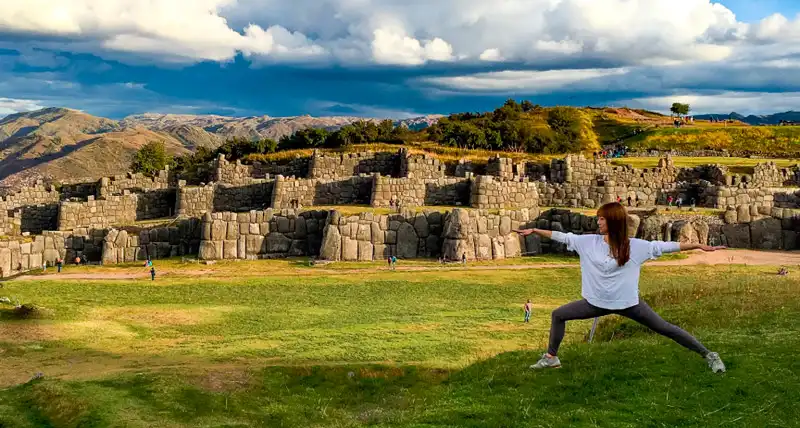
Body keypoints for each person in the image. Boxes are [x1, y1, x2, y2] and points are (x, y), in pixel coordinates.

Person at [513, 202, 727, 373]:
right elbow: (563, 236)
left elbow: (666, 246)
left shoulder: (636, 246)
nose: (598, 222)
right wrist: (535, 230)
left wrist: (697, 245)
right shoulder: (588, 242)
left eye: (602, 218)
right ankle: (551, 358)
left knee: (665, 328)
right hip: (595, 303)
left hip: (629, 304)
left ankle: (709, 355)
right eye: (598, 218)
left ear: (613, 222)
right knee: (558, 315)